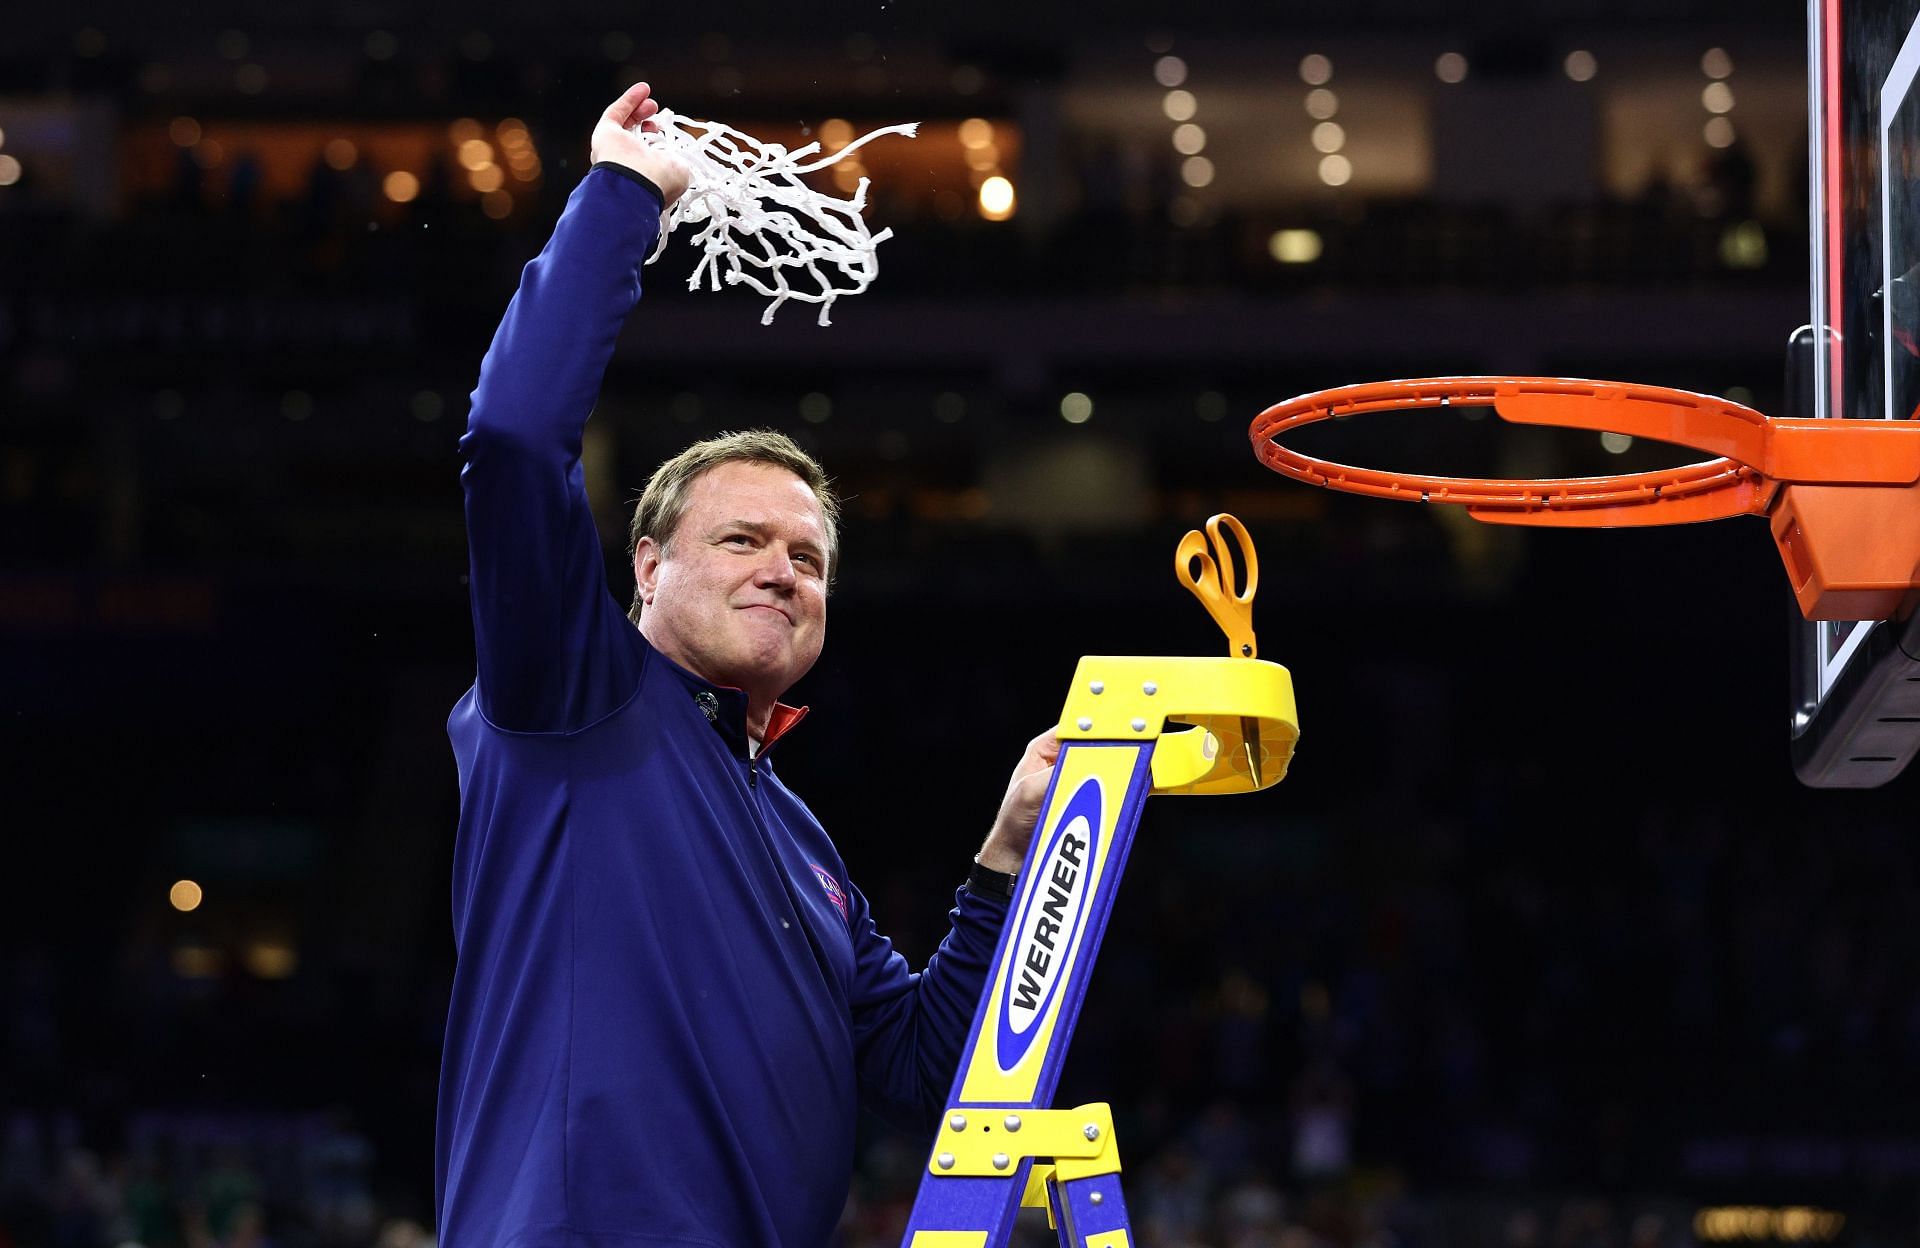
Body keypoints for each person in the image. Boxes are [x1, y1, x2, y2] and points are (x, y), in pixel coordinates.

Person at [436, 81, 1061, 1247]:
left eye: (810, 557)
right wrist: (622, 195)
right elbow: (514, 438)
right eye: (742, 540)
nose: (785, 570)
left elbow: (930, 1070)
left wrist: (1013, 858)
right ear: (646, 570)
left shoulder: (801, 842)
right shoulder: (577, 700)